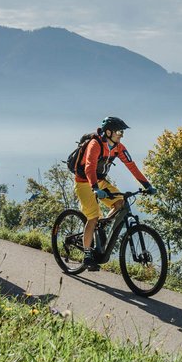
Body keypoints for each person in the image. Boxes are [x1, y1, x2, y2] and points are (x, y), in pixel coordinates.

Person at [73, 116, 156, 270]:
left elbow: (132, 166)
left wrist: (147, 185)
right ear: (109, 131)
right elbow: (89, 167)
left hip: (100, 181)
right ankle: (87, 255)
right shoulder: (95, 144)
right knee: (92, 217)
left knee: (120, 202)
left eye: (123, 132)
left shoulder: (119, 147)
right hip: (84, 182)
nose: (121, 134)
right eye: (119, 131)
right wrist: (95, 188)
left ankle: (102, 225)